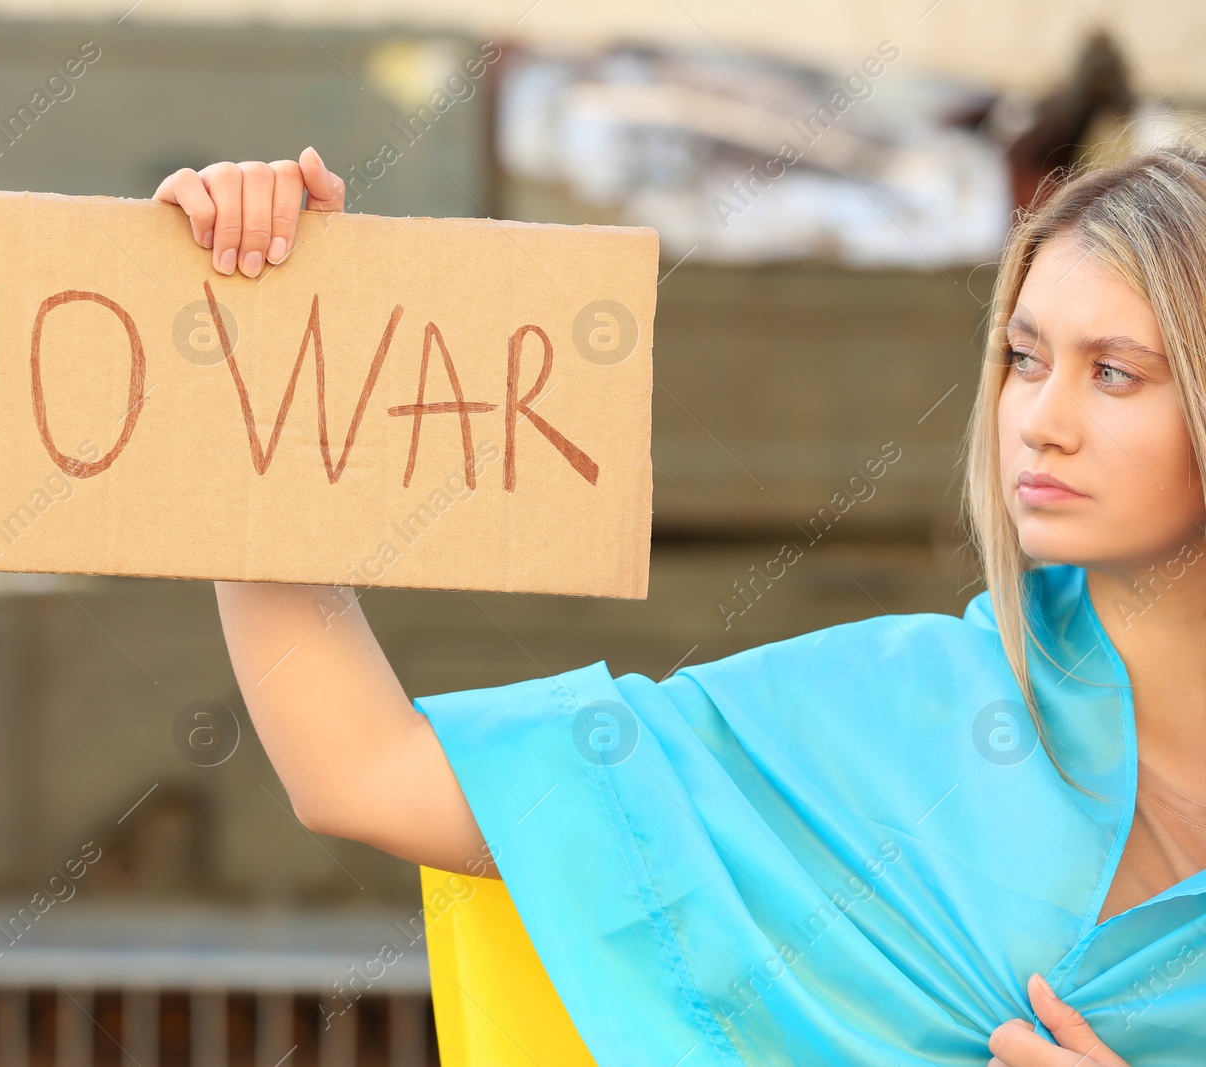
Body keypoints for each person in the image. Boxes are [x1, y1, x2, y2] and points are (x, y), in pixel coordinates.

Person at [155, 146, 1206, 1065]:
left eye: (1114, 373)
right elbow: (370, 775)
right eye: (1024, 359)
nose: (1039, 420)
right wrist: (261, 353)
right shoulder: (893, 710)